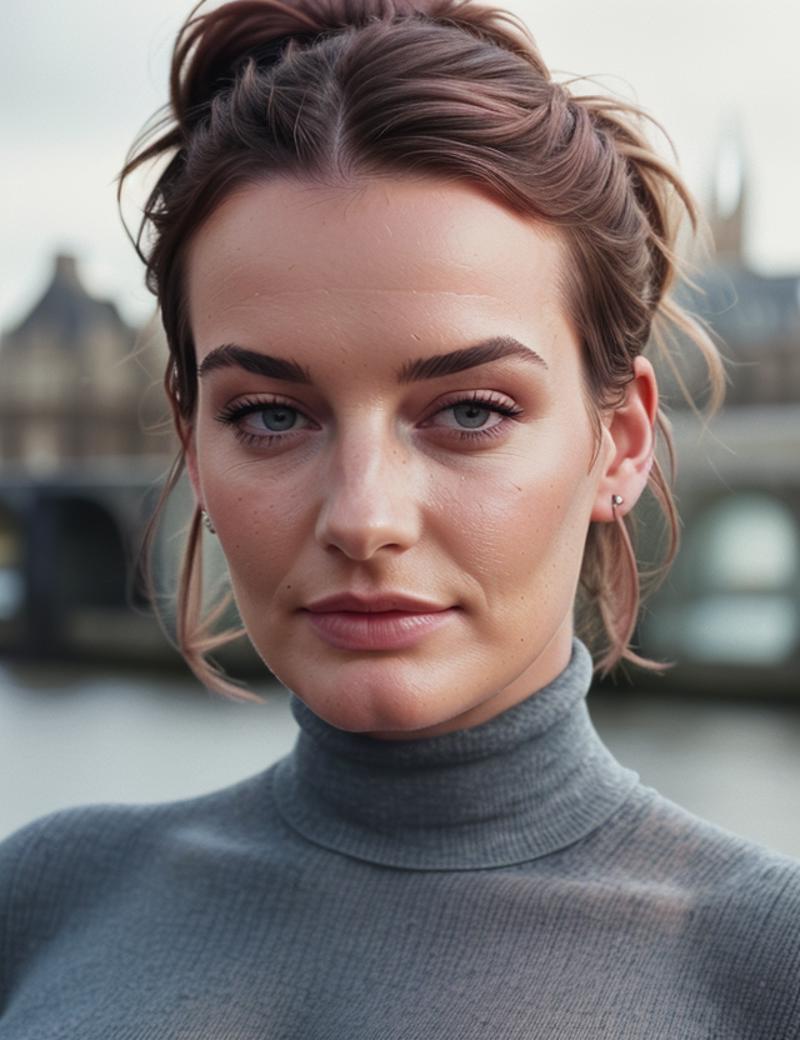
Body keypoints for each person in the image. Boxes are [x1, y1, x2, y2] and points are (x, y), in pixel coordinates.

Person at [1, 0, 799, 1033]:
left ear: (621, 440)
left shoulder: (763, 969)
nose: (364, 515)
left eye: (469, 410)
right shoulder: (43, 900)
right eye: (271, 414)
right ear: (191, 440)